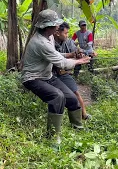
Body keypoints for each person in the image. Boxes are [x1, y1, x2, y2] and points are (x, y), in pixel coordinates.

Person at [21, 9, 91, 143]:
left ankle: (78, 127)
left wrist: (71, 55)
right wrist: (78, 61)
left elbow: (55, 55)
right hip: (33, 78)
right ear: (48, 27)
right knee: (57, 97)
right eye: (56, 25)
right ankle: (53, 137)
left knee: (71, 98)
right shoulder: (40, 42)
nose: (58, 27)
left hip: (46, 76)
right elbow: (62, 64)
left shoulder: (50, 36)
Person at [53, 22, 92, 120]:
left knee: (75, 92)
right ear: (57, 33)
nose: (67, 35)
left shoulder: (68, 41)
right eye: (65, 33)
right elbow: (56, 57)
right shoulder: (50, 42)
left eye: (67, 33)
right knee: (57, 96)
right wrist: (71, 55)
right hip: (50, 73)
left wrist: (79, 54)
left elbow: (76, 50)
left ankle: (84, 114)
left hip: (62, 72)